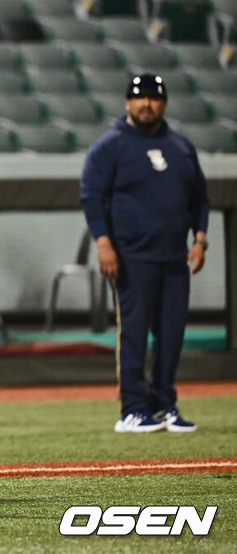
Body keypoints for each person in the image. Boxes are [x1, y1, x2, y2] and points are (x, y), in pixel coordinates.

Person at [80, 73, 209, 433]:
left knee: (171, 334)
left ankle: (165, 404)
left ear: (164, 103)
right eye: (139, 97)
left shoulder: (181, 146)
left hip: (174, 257)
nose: (146, 103)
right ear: (127, 102)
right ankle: (133, 409)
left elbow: (200, 197)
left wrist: (200, 239)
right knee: (134, 333)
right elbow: (91, 197)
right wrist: (103, 243)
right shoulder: (110, 146)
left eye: (153, 97)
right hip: (130, 256)